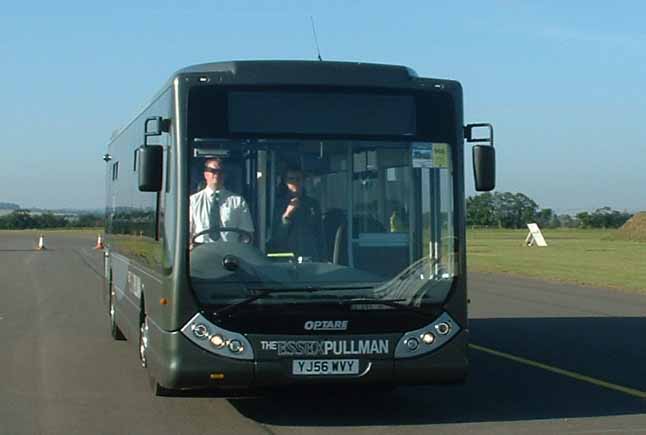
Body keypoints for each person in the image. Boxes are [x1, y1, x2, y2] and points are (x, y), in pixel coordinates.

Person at [189, 158, 254, 244]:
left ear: (225, 175)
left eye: (221, 172)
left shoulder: (238, 201)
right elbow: (188, 233)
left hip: (229, 252)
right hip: (202, 251)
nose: (217, 174)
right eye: (212, 171)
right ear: (205, 174)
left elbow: (247, 234)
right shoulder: (193, 201)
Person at [271, 167, 324, 260]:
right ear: (285, 182)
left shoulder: (312, 204)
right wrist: (287, 215)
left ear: (303, 181)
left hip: (310, 258)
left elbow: (320, 235)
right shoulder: (277, 204)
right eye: (291, 179)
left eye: (298, 179)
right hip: (286, 259)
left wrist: (323, 257)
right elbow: (276, 238)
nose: (295, 182)